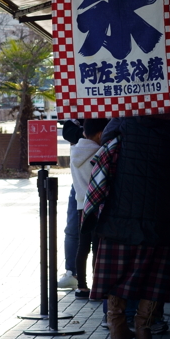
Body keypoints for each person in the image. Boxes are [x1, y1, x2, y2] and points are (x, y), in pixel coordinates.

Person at [88, 113, 170, 339]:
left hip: (122, 209)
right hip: (162, 210)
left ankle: (116, 325)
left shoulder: (126, 117)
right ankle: (144, 327)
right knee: (156, 275)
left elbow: (106, 139)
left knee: (118, 272)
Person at [69, 118, 107, 296]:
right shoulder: (101, 152)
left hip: (80, 205)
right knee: (98, 246)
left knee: (83, 246)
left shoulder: (74, 151)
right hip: (97, 204)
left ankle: (82, 286)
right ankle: (97, 286)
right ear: (100, 134)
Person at [58, 119, 85, 290]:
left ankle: (77, 276)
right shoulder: (76, 112)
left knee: (78, 230)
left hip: (103, 180)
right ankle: (72, 274)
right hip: (79, 182)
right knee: (73, 229)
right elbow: (67, 131)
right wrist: (85, 133)